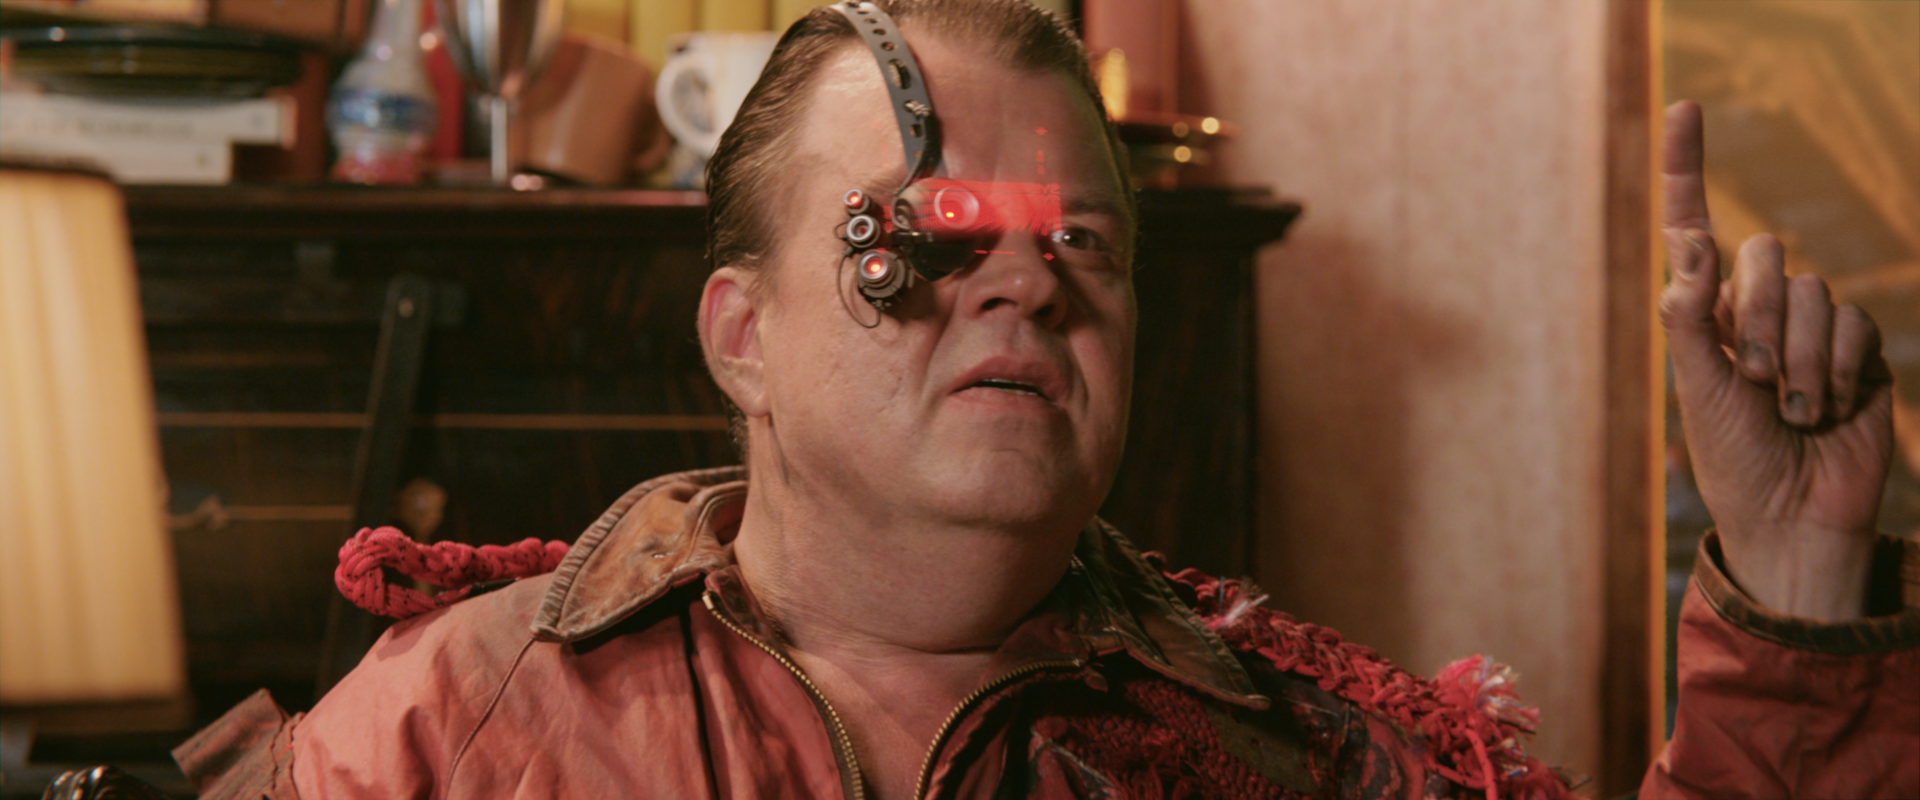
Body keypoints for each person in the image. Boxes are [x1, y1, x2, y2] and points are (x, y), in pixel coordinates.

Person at [173, 1, 1916, 798]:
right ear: (741, 337)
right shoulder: (456, 734)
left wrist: (1796, 584)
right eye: (930, 238)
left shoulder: (1305, 757)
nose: (1027, 282)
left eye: (1082, 242)